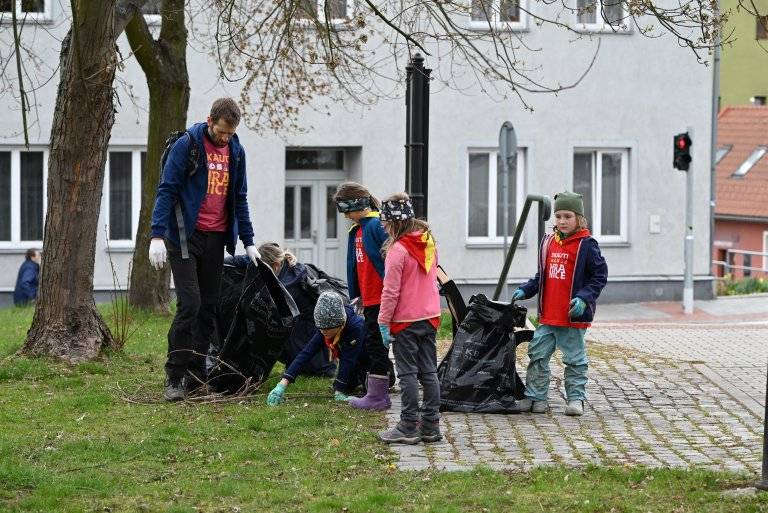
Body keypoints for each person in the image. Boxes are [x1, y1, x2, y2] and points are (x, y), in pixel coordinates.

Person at [148, 97, 260, 402]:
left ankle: (197, 376)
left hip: (216, 237)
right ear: (210, 120)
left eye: (230, 133)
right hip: (184, 236)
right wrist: (157, 235)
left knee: (209, 306)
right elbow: (167, 190)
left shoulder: (236, 151)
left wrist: (248, 241)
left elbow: (240, 198)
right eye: (222, 132)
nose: (225, 138)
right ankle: (175, 376)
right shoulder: (188, 145)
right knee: (190, 304)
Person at [512, 191, 608, 417]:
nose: (562, 221)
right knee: (537, 355)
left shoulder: (587, 245)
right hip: (548, 316)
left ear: (579, 219)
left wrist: (584, 298)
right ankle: (536, 397)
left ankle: (575, 399)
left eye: (568, 216)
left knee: (574, 360)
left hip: (571, 318)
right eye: (558, 216)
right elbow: (541, 275)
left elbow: (599, 276)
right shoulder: (548, 243)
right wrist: (526, 289)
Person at [377, 193, 443, 445]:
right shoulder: (429, 243)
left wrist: (383, 322)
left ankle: (408, 425)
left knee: (407, 374)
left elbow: (390, 291)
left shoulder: (398, 250)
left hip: (405, 320)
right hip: (430, 317)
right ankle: (430, 426)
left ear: (394, 222)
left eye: (385, 221)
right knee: (429, 372)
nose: (382, 226)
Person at [333, 182, 394, 411]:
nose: (346, 216)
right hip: (368, 299)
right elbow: (356, 266)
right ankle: (377, 391)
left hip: (382, 298)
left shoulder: (377, 226)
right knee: (373, 345)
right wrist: (356, 294)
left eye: (347, 210)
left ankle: (378, 396)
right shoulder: (358, 229)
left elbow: (391, 262)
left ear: (358, 204)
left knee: (377, 346)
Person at [266, 291, 369, 405]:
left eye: (327, 329)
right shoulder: (325, 328)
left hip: (366, 360)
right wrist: (283, 383)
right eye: (321, 329)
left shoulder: (355, 326)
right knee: (348, 385)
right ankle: (353, 381)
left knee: (369, 387)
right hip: (351, 361)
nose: (323, 332)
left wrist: (339, 390)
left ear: (340, 323)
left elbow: (348, 359)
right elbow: (306, 353)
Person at [257, 242, 337, 377]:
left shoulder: (288, 285)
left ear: (275, 266)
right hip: (315, 330)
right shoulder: (291, 268)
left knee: (273, 329)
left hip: (310, 333)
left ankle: (306, 366)